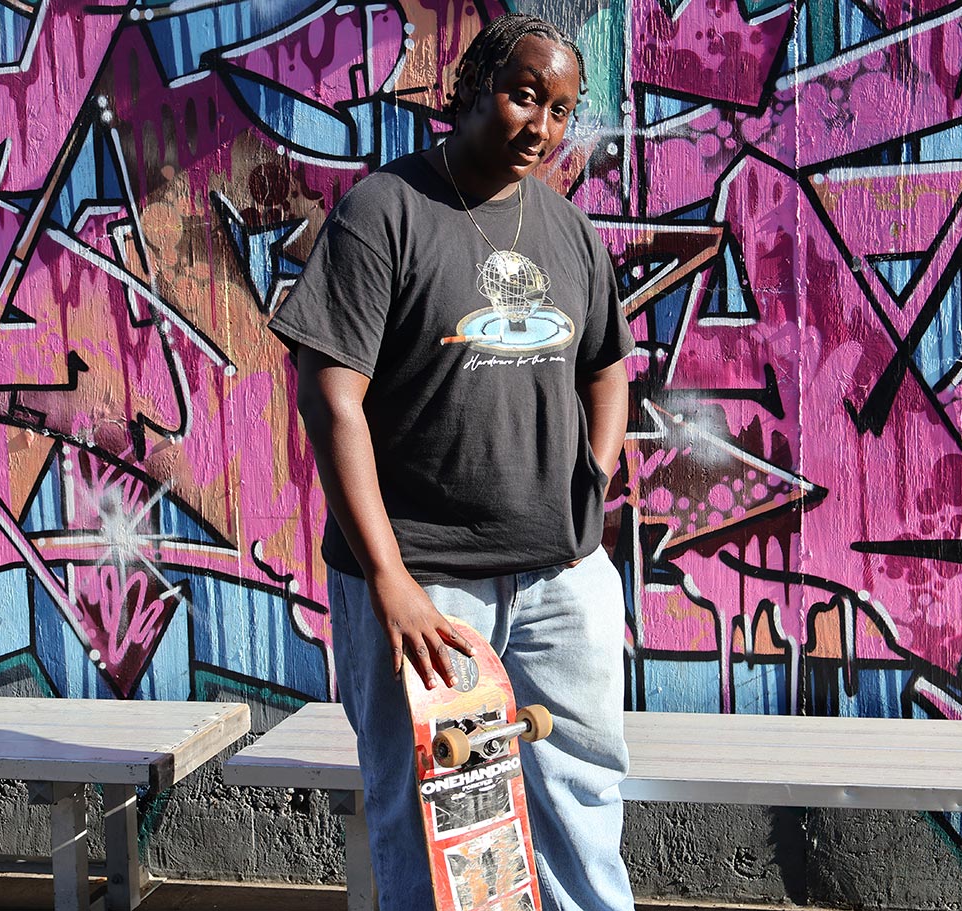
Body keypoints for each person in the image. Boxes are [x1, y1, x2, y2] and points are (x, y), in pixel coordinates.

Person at [268, 13, 635, 911]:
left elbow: (607, 366)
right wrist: (390, 578)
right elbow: (330, 397)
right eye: (521, 97)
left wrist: (589, 483)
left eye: (561, 110)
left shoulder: (568, 232)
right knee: (437, 828)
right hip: (426, 592)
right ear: (467, 90)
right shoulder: (383, 213)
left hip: (560, 580)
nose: (541, 128)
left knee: (582, 804)